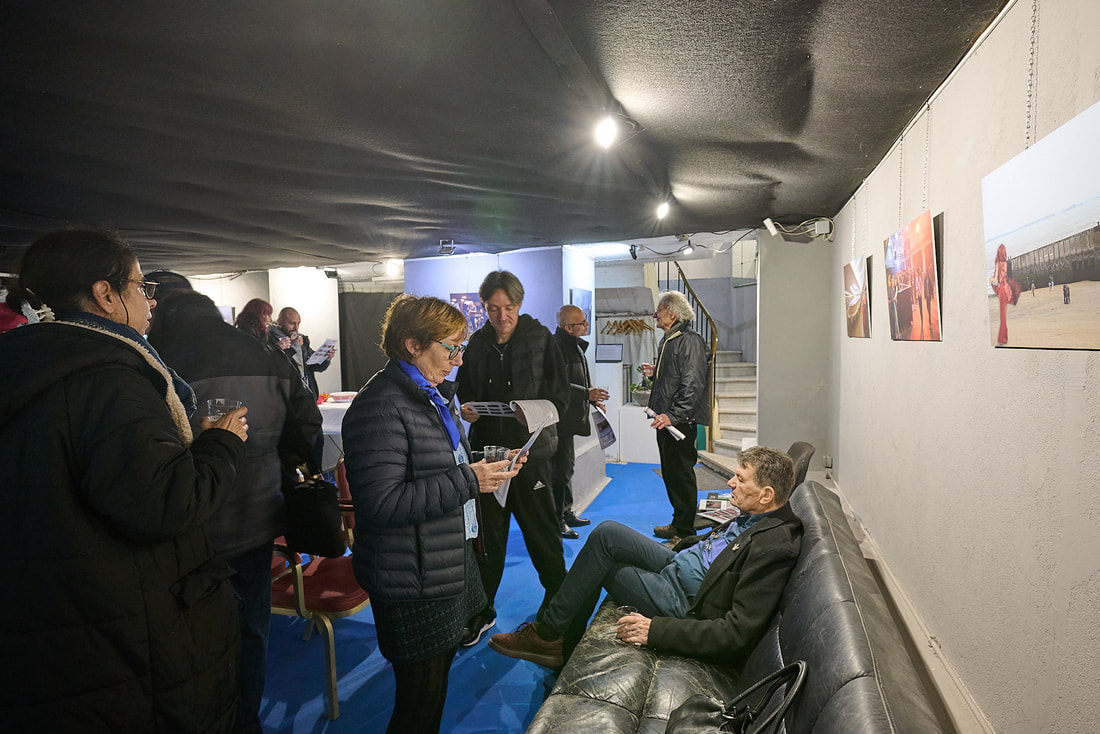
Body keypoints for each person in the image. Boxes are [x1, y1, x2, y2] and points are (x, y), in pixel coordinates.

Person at [0, 230, 249, 732]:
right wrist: (222, 444)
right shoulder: (108, 378)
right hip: (123, 628)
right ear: (105, 295)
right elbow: (166, 503)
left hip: (52, 613)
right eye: (141, 286)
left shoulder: (28, 363)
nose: (150, 301)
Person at [341, 295, 522, 733]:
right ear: (413, 345)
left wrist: (485, 466)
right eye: (452, 348)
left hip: (436, 564)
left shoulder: (424, 394)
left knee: (432, 691)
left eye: (462, 348)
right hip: (409, 578)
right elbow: (382, 503)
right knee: (418, 705)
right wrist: (469, 480)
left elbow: (435, 465)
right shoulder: (380, 406)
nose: (458, 361)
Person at [148, 288, 324, 734]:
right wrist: (286, 466)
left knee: (181, 642)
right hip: (255, 517)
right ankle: (245, 722)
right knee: (250, 631)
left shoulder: (153, 359)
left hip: (183, 529)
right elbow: (307, 427)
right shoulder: (265, 353)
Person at [488, 446, 803, 670]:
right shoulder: (758, 513)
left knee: (601, 566)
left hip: (685, 601)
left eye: (741, 479)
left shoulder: (774, 548)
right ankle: (555, 638)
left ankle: (550, 637)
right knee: (607, 533)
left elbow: (735, 633)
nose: (730, 483)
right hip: (679, 565)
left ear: (767, 494)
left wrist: (657, 631)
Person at [456, 270, 570, 646]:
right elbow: (465, 391)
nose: (501, 316)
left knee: (543, 535)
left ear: (519, 305)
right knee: (487, 539)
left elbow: (560, 398)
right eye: (493, 308)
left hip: (530, 454)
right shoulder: (476, 343)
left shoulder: (542, 338)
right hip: (488, 458)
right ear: (484, 307)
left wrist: (532, 413)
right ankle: (482, 610)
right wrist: (467, 408)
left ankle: (559, 606)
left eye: (508, 307)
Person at [640, 291, 710, 541]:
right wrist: (656, 373)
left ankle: (685, 531)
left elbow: (692, 385)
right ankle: (679, 523)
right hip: (668, 420)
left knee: (680, 477)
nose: (655, 315)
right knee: (672, 475)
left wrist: (673, 415)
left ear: (672, 313)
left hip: (679, 422)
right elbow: (677, 377)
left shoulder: (689, 340)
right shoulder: (670, 340)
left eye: (659, 310)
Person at [550, 304, 608, 539]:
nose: (586, 325)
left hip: (570, 419)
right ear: (568, 328)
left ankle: (566, 512)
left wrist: (592, 399)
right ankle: (557, 520)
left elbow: (579, 379)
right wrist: (587, 394)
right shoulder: (556, 348)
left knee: (567, 468)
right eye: (582, 322)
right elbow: (556, 386)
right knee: (560, 471)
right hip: (560, 421)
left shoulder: (573, 346)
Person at [269, 306, 334, 397]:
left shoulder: (302, 340)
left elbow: (314, 366)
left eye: (298, 323)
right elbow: (275, 366)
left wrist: (326, 357)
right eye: (292, 323)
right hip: (286, 394)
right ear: (280, 321)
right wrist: (292, 347)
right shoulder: (270, 339)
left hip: (306, 393)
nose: (296, 328)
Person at [990, 244, 1020, 346]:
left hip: (1002, 289)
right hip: (1006, 288)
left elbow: (995, 278)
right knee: (1003, 314)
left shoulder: (998, 263)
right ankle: (1003, 337)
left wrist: (991, 280)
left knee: (1002, 314)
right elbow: (1005, 276)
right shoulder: (1005, 263)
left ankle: (1002, 338)